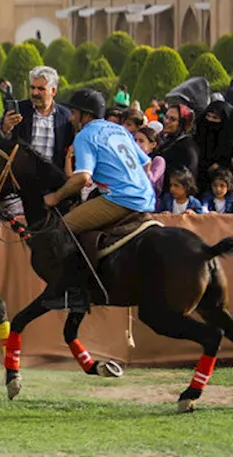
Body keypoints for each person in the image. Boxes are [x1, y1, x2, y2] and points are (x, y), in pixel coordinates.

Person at [38, 88, 157, 312]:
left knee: (62, 228)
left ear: (86, 115)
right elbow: (146, 163)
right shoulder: (118, 130)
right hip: (147, 197)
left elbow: (83, 177)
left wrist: (55, 197)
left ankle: (72, 294)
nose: (71, 118)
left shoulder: (85, 135)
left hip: (122, 200)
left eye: (74, 113)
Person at [0, 66, 75, 167]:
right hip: (22, 176)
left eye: (41, 89)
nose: (35, 93)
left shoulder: (65, 117)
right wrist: (5, 129)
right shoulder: (20, 110)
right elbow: (1, 144)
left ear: (53, 91)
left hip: (52, 178)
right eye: (33, 87)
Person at [155, 104, 199, 193]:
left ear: (182, 123)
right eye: (166, 117)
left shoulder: (188, 147)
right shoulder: (165, 139)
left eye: (172, 119)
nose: (167, 121)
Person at [195, 99, 233, 194]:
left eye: (215, 118)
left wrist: (220, 165)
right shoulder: (199, 134)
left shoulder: (228, 139)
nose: (210, 120)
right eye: (208, 116)